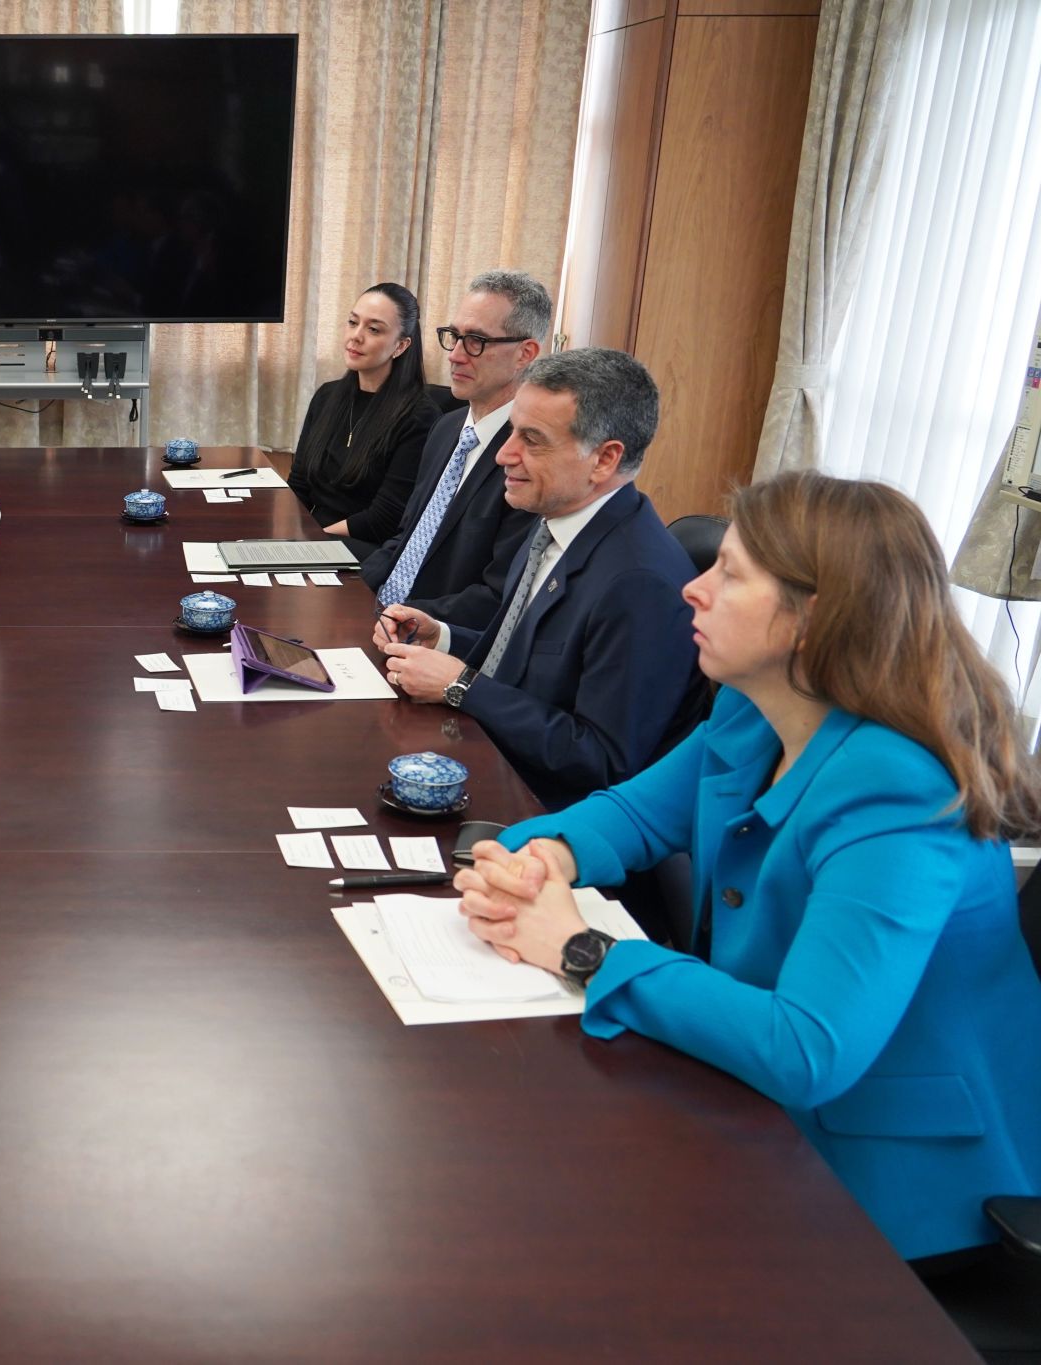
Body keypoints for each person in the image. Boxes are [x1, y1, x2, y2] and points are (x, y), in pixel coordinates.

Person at [454, 471, 1041, 1262]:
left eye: (729, 573)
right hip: (750, 1089)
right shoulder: (757, 704)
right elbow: (634, 812)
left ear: (812, 619)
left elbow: (808, 1049)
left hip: (888, 1178)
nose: (691, 588)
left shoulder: (900, 793)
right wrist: (540, 859)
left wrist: (580, 948)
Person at [372, 349, 706, 809]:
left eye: (532, 439)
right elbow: (524, 659)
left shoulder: (638, 583)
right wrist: (444, 640)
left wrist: (462, 685)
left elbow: (602, 761)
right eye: (511, 431)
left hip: (547, 816)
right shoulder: (555, 524)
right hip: (497, 763)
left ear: (604, 460)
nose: (505, 454)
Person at [358, 269, 548, 632]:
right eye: (454, 336)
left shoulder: (530, 455)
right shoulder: (447, 428)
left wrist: (398, 618)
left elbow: (498, 596)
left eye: (476, 341)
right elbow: (406, 537)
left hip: (433, 636)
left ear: (526, 353)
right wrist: (351, 589)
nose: (456, 356)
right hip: (380, 612)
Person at [287, 283, 438, 554]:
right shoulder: (327, 396)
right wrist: (286, 533)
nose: (356, 336)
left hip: (366, 549)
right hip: (313, 540)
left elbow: (384, 519)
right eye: (352, 322)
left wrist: (310, 541)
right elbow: (298, 484)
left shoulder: (420, 417)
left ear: (401, 345)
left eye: (373, 329)